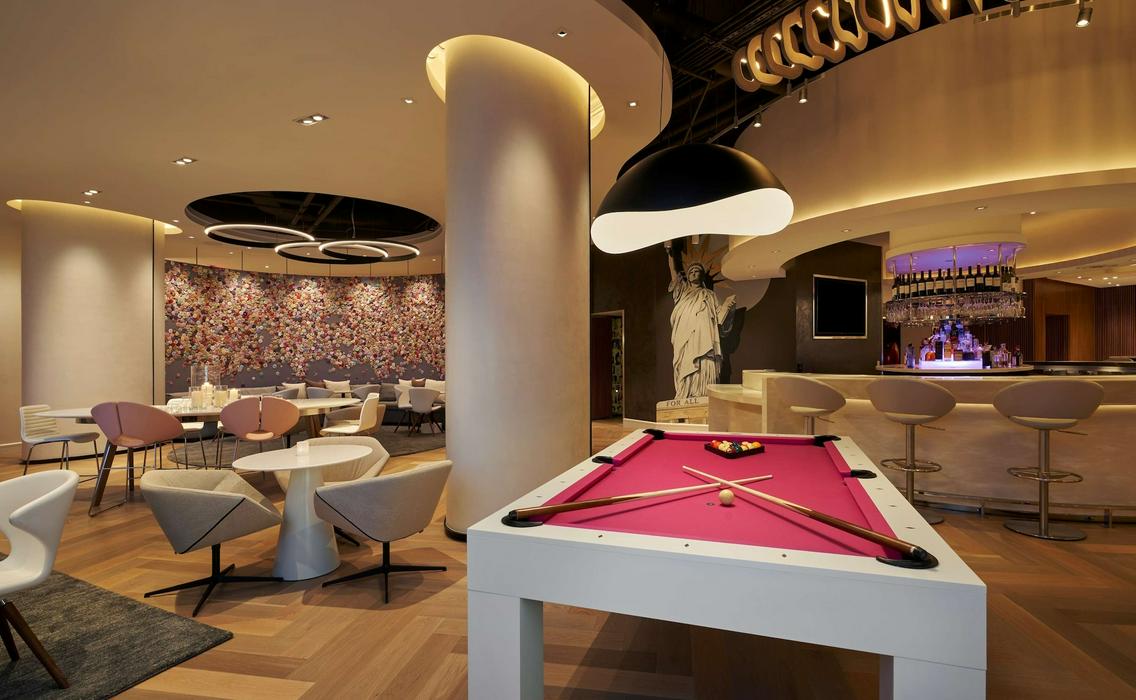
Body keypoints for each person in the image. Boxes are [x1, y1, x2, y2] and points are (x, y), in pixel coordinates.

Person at [664, 239, 736, 400]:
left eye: (697, 271)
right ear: (688, 276)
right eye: (691, 271)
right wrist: (669, 253)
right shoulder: (682, 293)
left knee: (704, 358)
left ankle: (702, 391)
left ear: (702, 275)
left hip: (704, 336)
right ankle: (686, 391)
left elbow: (718, 319)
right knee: (686, 360)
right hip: (685, 336)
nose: (694, 273)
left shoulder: (709, 295)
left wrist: (728, 307)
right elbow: (674, 273)